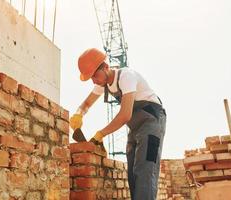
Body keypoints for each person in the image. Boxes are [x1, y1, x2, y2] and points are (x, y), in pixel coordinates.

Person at [69, 48, 166, 200]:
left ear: (106, 67)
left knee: (145, 170)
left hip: (152, 121)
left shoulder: (126, 76)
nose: (94, 81)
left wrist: (101, 134)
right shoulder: (103, 84)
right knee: (133, 174)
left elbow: (125, 114)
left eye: (95, 75)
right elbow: (86, 103)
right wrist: (78, 114)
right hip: (135, 127)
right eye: (91, 78)